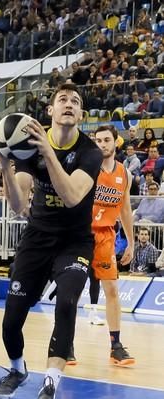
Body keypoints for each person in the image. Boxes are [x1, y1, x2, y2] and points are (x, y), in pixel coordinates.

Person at [0, 83, 102, 399]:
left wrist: (49, 154)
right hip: (38, 237)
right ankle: (16, 370)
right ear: (51, 111)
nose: (69, 104)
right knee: (11, 321)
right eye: (62, 100)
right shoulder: (28, 149)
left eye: (76, 101)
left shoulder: (90, 152)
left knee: (67, 302)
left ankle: (50, 386)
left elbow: (72, 196)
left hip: (74, 241)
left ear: (80, 114)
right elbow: (17, 204)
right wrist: (5, 164)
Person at [68, 125, 135, 367]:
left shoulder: (124, 174)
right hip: (81, 234)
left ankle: (116, 345)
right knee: (71, 292)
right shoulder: (86, 169)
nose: (102, 144)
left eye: (107, 140)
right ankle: (66, 344)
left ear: (116, 143)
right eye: (98, 140)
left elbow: (125, 210)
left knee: (113, 291)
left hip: (106, 236)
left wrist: (131, 241)